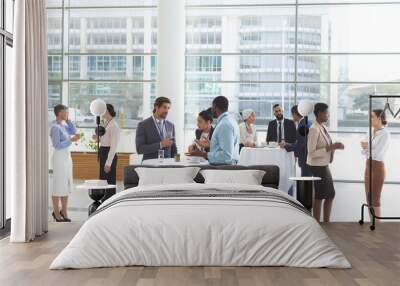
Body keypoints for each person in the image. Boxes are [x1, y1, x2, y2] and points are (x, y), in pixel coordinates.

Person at [307, 103, 344, 223]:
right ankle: (318, 223)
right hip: (317, 166)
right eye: (327, 113)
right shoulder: (313, 129)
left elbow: (327, 145)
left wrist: (334, 147)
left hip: (323, 165)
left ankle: (326, 222)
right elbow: (311, 152)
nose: (328, 115)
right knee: (320, 195)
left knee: (329, 194)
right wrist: (330, 147)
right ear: (319, 113)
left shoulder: (323, 127)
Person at [187, 96, 240, 165]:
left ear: (215, 107)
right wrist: (211, 144)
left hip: (223, 168)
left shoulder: (224, 124)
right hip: (224, 166)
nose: (211, 109)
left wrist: (203, 154)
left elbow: (226, 156)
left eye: (212, 107)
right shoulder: (229, 120)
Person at [50, 104, 80, 222]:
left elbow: (73, 131)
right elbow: (57, 145)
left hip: (67, 157)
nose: (67, 114)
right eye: (66, 112)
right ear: (60, 113)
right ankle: (56, 213)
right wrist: (70, 140)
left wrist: (68, 120)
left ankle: (64, 211)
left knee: (66, 184)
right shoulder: (54, 127)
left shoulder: (64, 125)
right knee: (58, 185)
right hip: (59, 157)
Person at [361, 109, 390, 221]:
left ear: (380, 118)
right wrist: (368, 148)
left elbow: (377, 153)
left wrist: (367, 147)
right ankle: (372, 224)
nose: (370, 119)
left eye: (372, 116)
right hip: (368, 166)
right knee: (369, 198)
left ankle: (378, 227)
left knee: (375, 198)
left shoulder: (385, 134)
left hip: (377, 167)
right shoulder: (370, 131)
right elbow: (364, 151)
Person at [93, 104, 121, 202]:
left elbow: (113, 146)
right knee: (103, 180)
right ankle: (104, 201)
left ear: (107, 111)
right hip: (103, 152)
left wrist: (108, 163)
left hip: (109, 153)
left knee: (109, 180)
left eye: (102, 110)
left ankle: (110, 201)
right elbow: (103, 139)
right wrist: (97, 137)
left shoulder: (114, 126)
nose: (100, 112)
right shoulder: (105, 123)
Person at [280, 105, 312, 177]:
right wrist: (289, 144)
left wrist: (285, 146)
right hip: (308, 157)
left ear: (294, 114)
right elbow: (302, 141)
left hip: (305, 158)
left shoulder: (302, 126)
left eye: (292, 115)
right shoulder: (307, 122)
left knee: (306, 180)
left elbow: (300, 146)